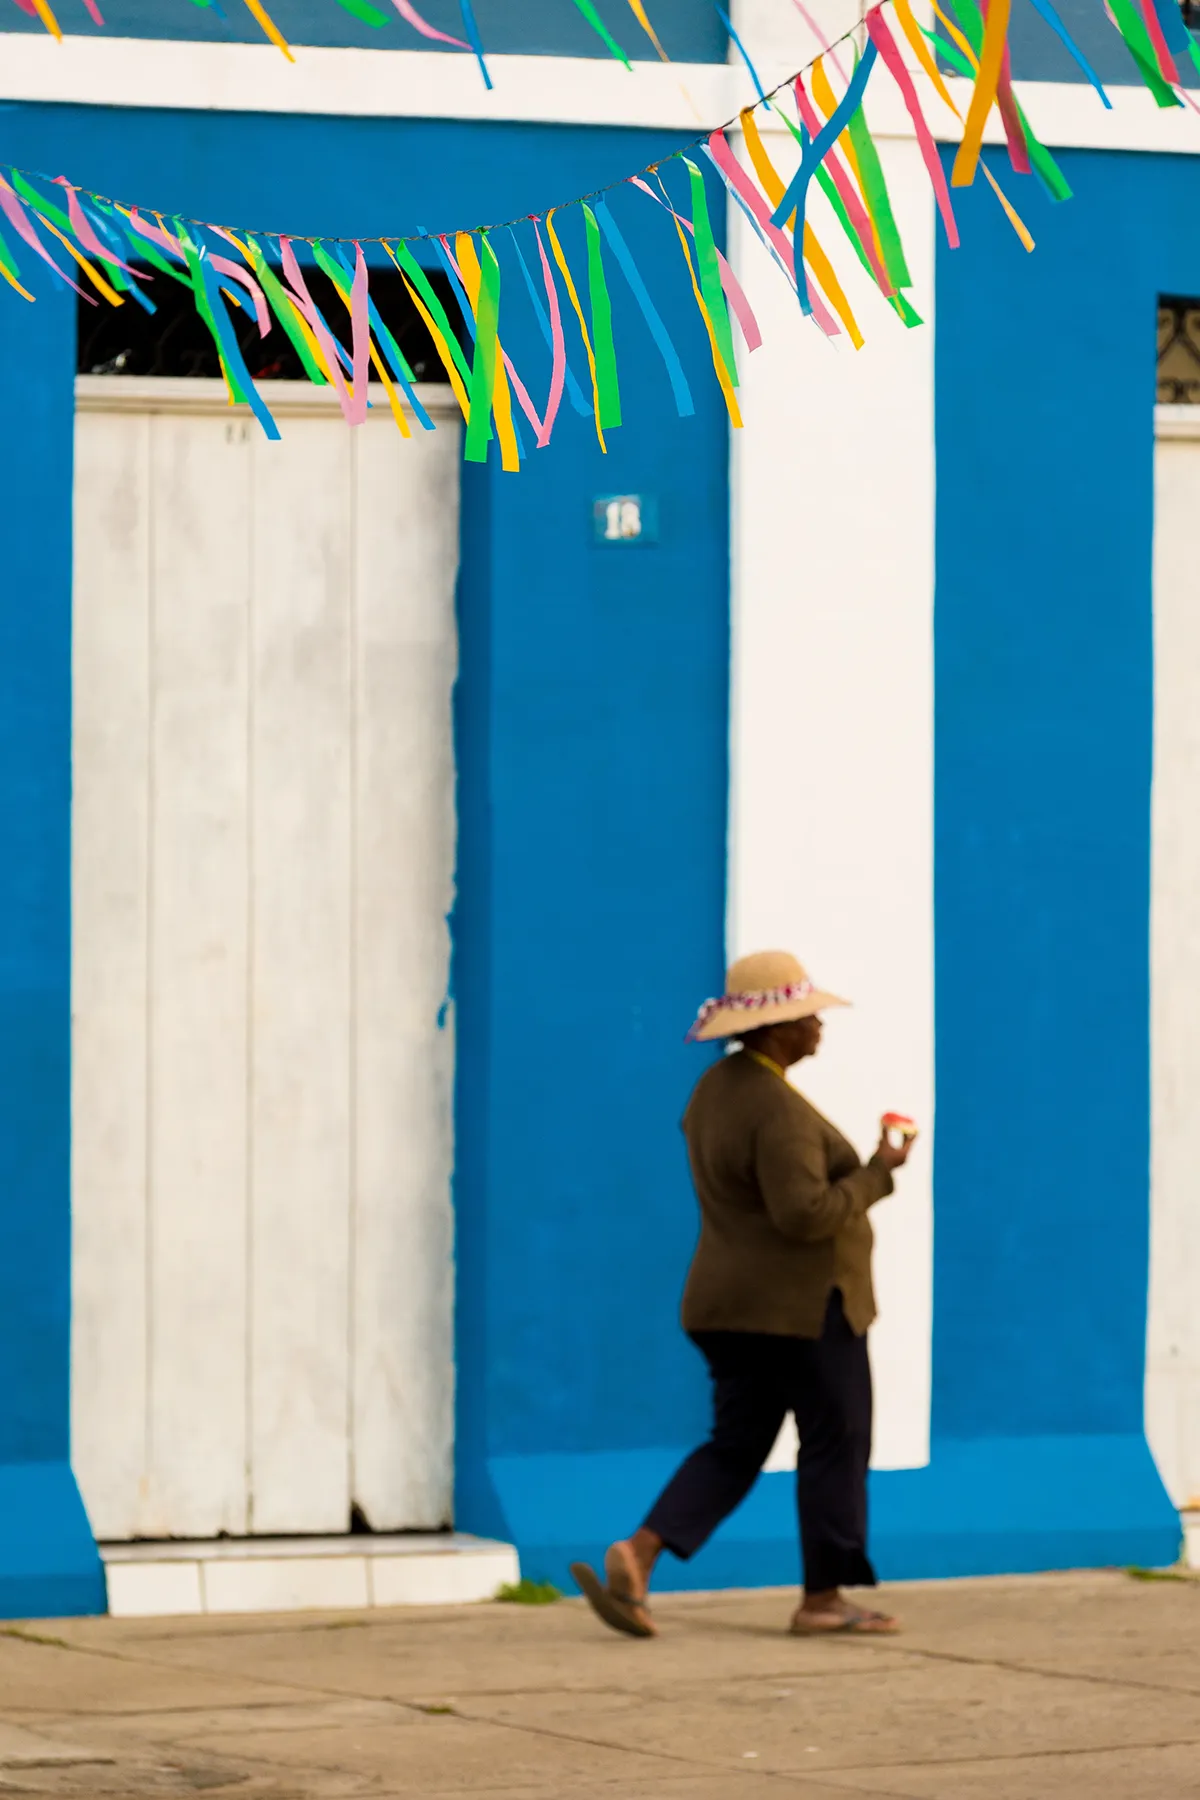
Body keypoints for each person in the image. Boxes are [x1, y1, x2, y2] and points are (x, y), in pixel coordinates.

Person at [571, 950, 915, 1639]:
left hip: (727, 1307)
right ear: (777, 1028)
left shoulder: (715, 1091)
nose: (819, 1025)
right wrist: (879, 1170)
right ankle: (823, 1600)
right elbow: (805, 1215)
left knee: (736, 1444)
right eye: (807, 1016)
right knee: (835, 1442)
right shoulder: (778, 1110)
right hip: (804, 1310)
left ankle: (639, 1554)